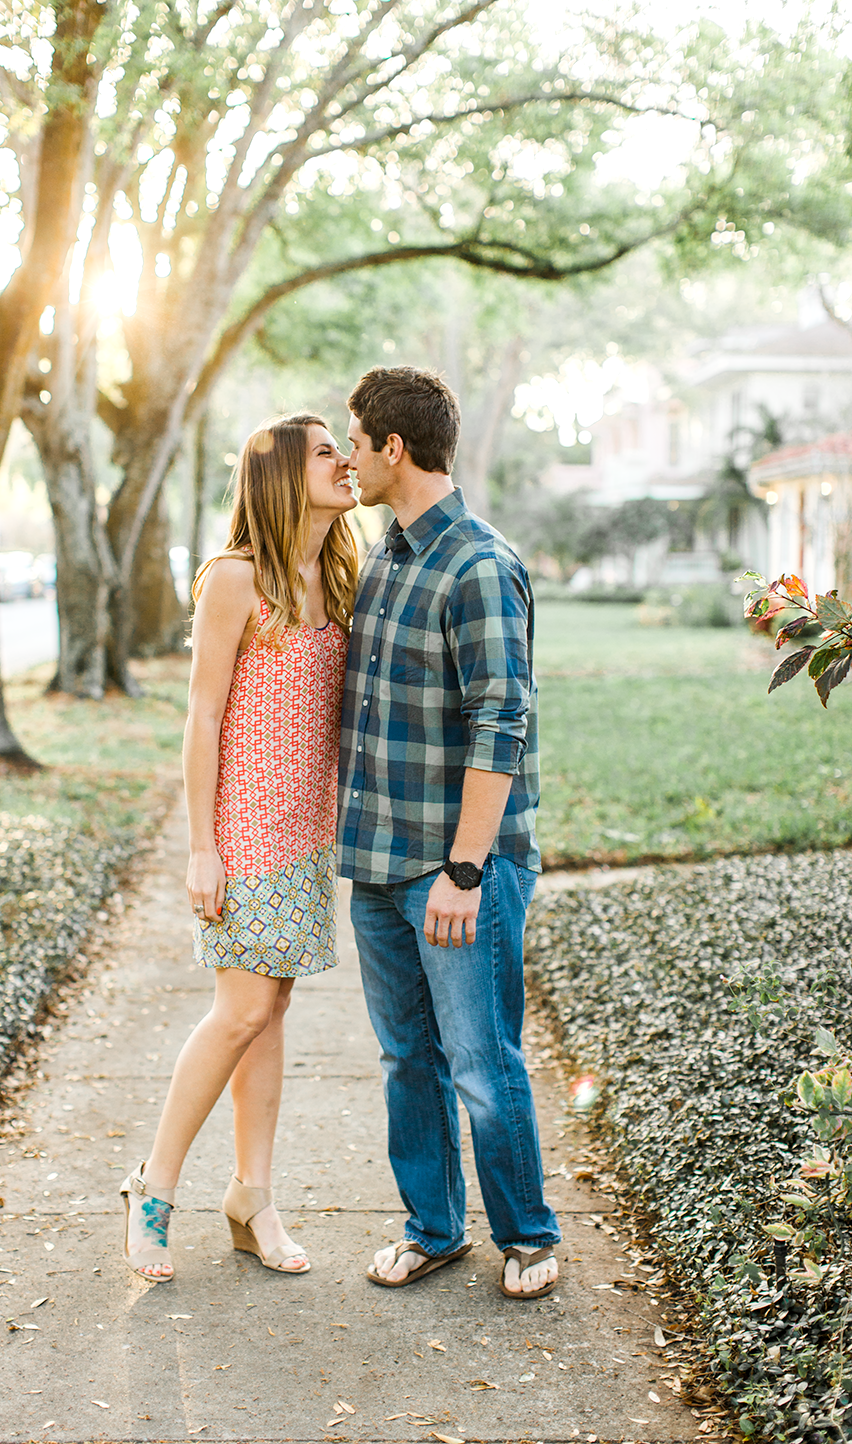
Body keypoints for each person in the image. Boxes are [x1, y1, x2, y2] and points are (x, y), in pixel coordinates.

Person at [337, 366, 561, 1300]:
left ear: (395, 448)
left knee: (480, 1057)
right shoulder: (386, 554)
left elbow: (499, 724)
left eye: (354, 442)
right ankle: (434, 1229)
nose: (347, 460)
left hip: (459, 866)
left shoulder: (476, 563)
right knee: (407, 1059)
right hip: (381, 865)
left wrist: (464, 871)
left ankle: (530, 1236)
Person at [120, 413, 358, 1282]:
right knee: (239, 1013)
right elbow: (203, 714)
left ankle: (252, 1197)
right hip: (246, 833)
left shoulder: (338, 574)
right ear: (281, 475)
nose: (346, 461)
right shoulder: (235, 576)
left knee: (272, 1011)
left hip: (308, 832)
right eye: (326, 451)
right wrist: (201, 847)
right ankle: (153, 1189)